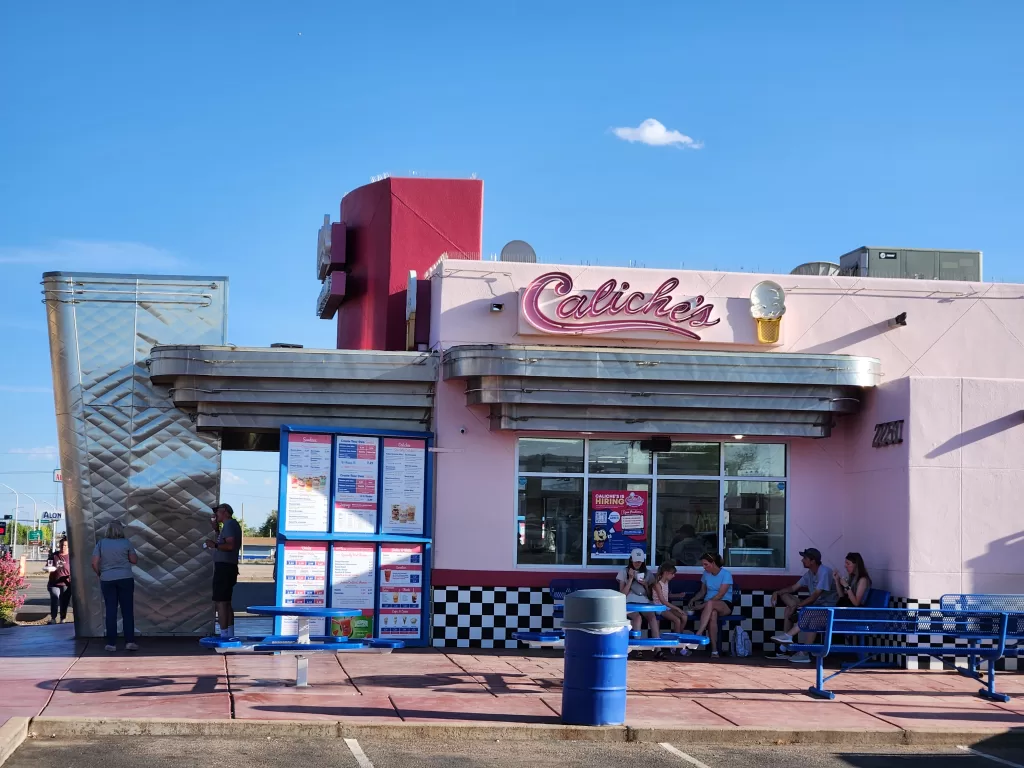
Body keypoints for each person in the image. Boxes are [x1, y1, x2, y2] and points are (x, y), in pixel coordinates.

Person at [769, 547, 838, 663]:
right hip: (815, 607)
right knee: (787, 603)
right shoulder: (809, 573)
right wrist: (777, 592)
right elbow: (793, 588)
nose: (802, 560)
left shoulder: (824, 572)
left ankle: (801, 650)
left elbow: (815, 595)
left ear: (813, 561)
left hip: (829, 610)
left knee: (812, 617)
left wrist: (800, 606)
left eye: (805, 558)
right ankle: (785, 645)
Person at [91, 520, 138, 652]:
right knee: (127, 611)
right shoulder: (126, 542)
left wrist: (100, 573)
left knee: (111, 610)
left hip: (107, 579)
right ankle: (129, 642)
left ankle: (111, 644)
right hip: (125, 578)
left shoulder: (101, 543)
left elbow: (94, 563)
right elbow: (134, 560)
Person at [687, 552, 734, 658]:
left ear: (713, 563)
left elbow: (720, 595)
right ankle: (714, 650)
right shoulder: (705, 574)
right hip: (708, 606)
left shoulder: (726, 574)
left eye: (706, 564)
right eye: (703, 564)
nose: (704, 567)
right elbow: (702, 592)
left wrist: (702, 606)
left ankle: (698, 634)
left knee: (711, 604)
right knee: (712, 614)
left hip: (724, 604)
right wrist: (694, 599)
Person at [206, 503, 242, 639]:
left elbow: (230, 545)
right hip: (227, 566)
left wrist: (213, 544)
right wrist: (216, 531)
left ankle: (224, 634)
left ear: (226, 512)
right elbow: (225, 542)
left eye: (218, 512)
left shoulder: (230, 525)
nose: (216, 515)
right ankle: (229, 633)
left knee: (221, 602)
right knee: (226, 601)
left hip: (225, 567)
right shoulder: (228, 526)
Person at [648, 561, 693, 655]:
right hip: (659, 607)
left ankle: (678, 640)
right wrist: (677, 608)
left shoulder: (666, 582)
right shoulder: (657, 584)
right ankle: (675, 645)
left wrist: (678, 595)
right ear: (666, 573)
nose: (674, 576)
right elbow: (663, 601)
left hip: (666, 607)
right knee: (677, 620)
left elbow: (667, 596)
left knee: (684, 617)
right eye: (672, 574)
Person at [616, 548, 660, 640]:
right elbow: (622, 595)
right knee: (637, 618)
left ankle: (657, 647)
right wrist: (631, 579)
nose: (638, 564)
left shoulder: (648, 573)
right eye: (636, 561)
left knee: (652, 617)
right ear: (631, 559)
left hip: (644, 602)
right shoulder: (624, 571)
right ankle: (637, 646)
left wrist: (645, 585)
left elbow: (650, 595)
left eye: (640, 561)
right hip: (628, 602)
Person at [46, 537, 72, 624]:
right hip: (54, 582)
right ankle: (53, 618)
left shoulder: (71, 556)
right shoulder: (54, 555)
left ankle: (63, 618)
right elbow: (48, 565)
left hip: (66, 583)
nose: (63, 547)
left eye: (65, 545)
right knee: (55, 598)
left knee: (64, 601)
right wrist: (49, 568)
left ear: (68, 546)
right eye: (61, 545)